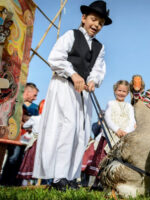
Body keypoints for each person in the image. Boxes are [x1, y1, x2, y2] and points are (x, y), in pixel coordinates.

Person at [33, 0, 112, 191]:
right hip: (64, 87)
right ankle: (58, 177)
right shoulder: (71, 35)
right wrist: (73, 74)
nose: (96, 25)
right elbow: (56, 57)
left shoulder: (100, 47)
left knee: (80, 133)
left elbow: (98, 69)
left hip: (82, 94)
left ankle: (70, 177)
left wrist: (93, 81)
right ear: (84, 18)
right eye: (93, 20)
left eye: (100, 23)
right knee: (65, 129)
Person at [0, 83, 39, 186]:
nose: (35, 98)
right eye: (34, 95)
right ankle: (5, 183)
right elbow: (15, 120)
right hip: (14, 137)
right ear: (27, 92)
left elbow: (24, 119)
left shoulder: (25, 107)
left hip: (23, 139)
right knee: (13, 158)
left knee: (19, 160)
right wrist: (27, 124)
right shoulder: (15, 102)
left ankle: (13, 184)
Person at [17, 100, 45, 185]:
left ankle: (25, 183)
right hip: (44, 143)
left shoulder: (35, 118)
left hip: (35, 142)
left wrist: (31, 128)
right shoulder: (50, 121)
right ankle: (38, 183)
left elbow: (25, 126)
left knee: (30, 160)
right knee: (41, 162)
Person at [103, 80, 136, 153]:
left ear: (127, 93)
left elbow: (132, 121)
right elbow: (107, 119)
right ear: (115, 91)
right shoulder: (111, 103)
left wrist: (126, 132)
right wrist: (116, 129)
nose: (121, 93)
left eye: (124, 91)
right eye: (119, 90)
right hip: (112, 132)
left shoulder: (129, 106)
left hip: (125, 135)